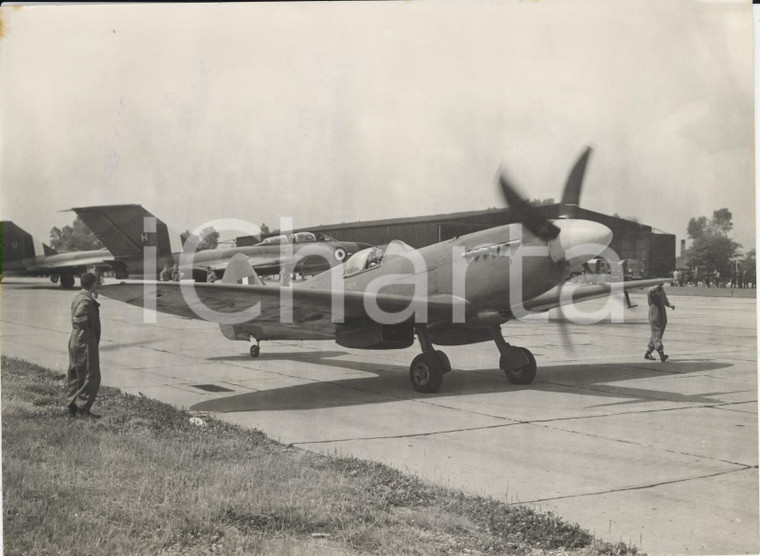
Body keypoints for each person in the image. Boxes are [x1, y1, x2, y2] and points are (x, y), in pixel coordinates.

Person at [66, 272, 102, 419]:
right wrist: (86, 332)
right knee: (91, 376)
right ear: (94, 284)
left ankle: (72, 407)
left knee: (75, 374)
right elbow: (80, 316)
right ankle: (83, 410)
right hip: (84, 342)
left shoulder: (79, 297)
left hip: (75, 340)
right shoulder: (85, 301)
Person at [644, 283, 675, 362]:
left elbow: (664, 300)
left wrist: (670, 305)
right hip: (654, 312)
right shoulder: (651, 289)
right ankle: (661, 354)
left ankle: (648, 352)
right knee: (657, 333)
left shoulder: (661, 290)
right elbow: (651, 291)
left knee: (657, 334)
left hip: (662, 312)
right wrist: (658, 284)